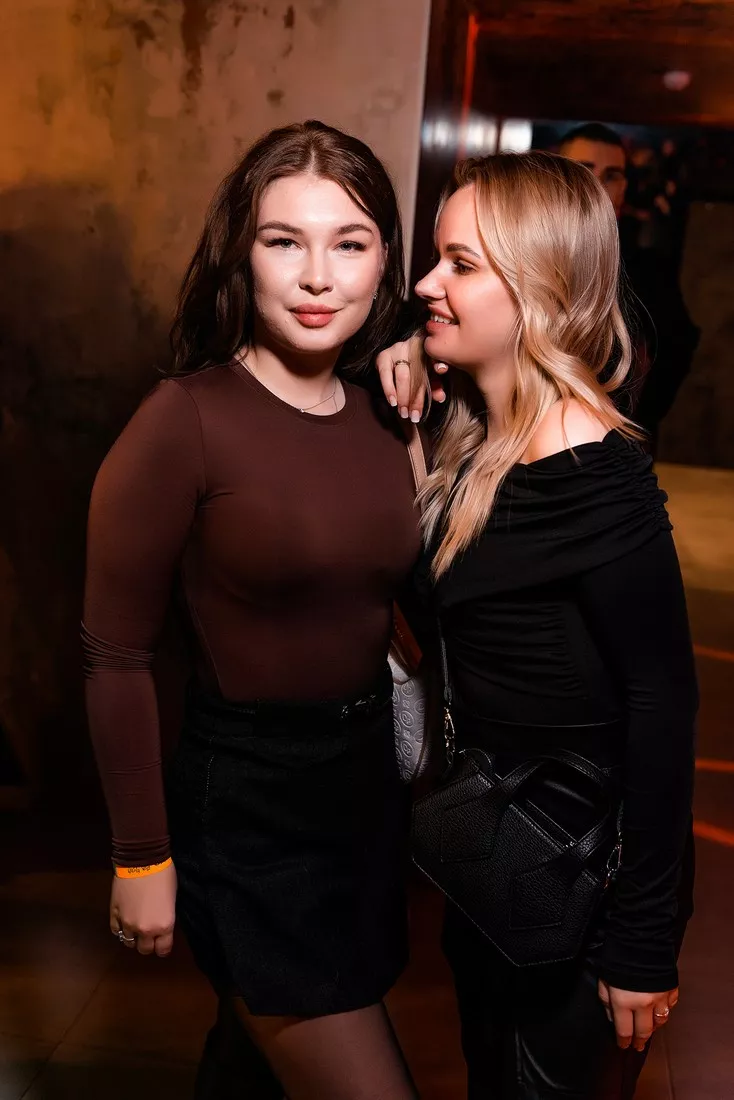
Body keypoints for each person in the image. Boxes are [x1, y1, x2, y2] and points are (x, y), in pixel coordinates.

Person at [82, 120, 423, 1100]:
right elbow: (115, 654)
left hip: (362, 795)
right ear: (243, 252)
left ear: (385, 260)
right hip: (246, 807)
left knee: (254, 1070)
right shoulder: (185, 419)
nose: (317, 276)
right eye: (284, 241)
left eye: (349, 243)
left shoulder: (394, 406)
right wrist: (140, 855)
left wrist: (415, 351)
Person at [381, 151, 697, 1098]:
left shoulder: (589, 470)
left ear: (540, 289)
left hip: (576, 901)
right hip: (498, 875)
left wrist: (643, 942)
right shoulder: (485, 436)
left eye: (460, 264)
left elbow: (663, 706)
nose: (426, 284)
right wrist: (405, 355)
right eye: (436, 257)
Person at [559, 123, 700, 452]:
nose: (597, 186)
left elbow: (678, 346)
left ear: (623, 187)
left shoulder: (647, 270)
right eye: (583, 171)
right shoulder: (524, 253)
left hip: (613, 447)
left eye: (612, 176)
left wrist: (635, 424)